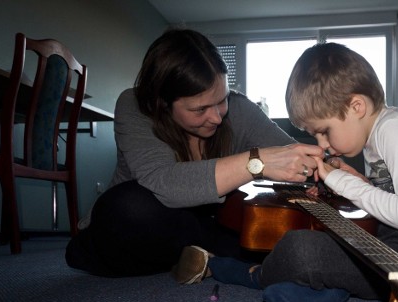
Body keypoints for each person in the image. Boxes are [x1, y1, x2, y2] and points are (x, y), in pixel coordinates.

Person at [201, 42, 398, 302]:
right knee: (326, 245)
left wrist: (342, 182)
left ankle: (256, 275)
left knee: (301, 248)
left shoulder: (396, 131)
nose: (323, 144)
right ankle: (328, 291)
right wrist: (360, 182)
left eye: (324, 131)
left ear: (357, 106)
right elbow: (395, 200)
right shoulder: (377, 136)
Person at [65, 28, 324, 277]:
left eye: (221, 100)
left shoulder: (239, 109)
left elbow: (293, 153)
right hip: (141, 223)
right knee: (128, 207)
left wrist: (330, 167)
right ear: (163, 104)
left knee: (263, 229)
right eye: (199, 110)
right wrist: (256, 162)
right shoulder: (135, 105)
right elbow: (166, 184)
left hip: (204, 228)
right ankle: (215, 256)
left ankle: (205, 257)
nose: (216, 117)